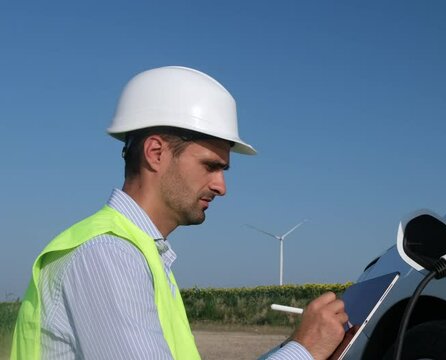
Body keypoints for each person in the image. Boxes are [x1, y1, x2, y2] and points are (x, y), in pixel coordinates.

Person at [11, 66, 348, 360]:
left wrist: (295, 345)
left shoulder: (142, 254)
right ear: (156, 153)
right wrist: (303, 351)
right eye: (211, 166)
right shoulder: (108, 255)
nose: (221, 187)